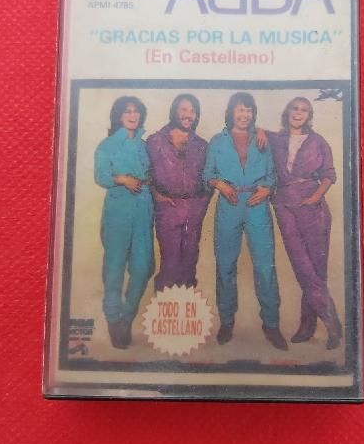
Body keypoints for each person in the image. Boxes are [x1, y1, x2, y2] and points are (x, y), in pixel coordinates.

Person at [203, 92, 287, 350]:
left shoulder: (262, 140)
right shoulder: (217, 141)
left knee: (265, 266)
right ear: (231, 112)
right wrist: (219, 184)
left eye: (249, 110)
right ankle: (227, 322)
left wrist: (267, 189)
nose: (244, 114)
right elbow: (207, 173)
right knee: (225, 265)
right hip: (229, 205)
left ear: (253, 113)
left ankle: (271, 324)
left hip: (257, 204)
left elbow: (272, 174)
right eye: (240, 109)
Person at [265, 97, 342, 349]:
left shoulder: (318, 142)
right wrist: (258, 131)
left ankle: (308, 326)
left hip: (313, 208)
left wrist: (315, 198)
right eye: (294, 109)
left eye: (304, 110)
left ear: (309, 116)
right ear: (287, 112)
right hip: (284, 206)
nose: (298, 113)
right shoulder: (276, 140)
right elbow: (253, 129)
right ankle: (332, 322)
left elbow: (328, 175)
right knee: (303, 268)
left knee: (316, 270)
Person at [94, 96, 154, 349]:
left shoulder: (144, 145)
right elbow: (100, 175)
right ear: (119, 116)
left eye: (136, 111)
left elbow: (152, 174)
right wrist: (122, 179)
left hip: (144, 208)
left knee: (143, 267)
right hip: (118, 208)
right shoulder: (108, 145)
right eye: (127, 111)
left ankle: (127, 317)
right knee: (114, 268)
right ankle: (113, 318)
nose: (132, 115)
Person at [146, 94, 211, 291]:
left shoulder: (201, 145)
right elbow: (145, 172)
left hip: (193, 209)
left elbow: (209, 178)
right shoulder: (155, 141)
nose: (188, 115)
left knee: (189, 262)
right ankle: (163, 305)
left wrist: (200, 205)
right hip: (168, 208)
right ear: (174, 110)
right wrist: (156, 195)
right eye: (184, 109)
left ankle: (186, 305)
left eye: (193, 111)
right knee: (170, 263)